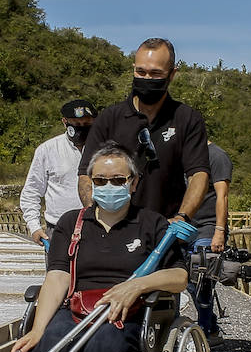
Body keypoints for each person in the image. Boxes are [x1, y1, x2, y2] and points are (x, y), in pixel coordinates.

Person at [9, 143, 189, 352]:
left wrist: (137, 285)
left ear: (134, 183)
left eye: (118, 180)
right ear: (90, 182)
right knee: (51, 336)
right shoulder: (71, 224)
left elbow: (178, 276)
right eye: (101, 180)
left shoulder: (151, 224)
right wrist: (37, 329)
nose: (109, 187)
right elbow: (57, 276)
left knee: (105, 341)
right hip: (78, 307)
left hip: (126, 315)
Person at [78, 38, 209, 222]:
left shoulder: (187, 119)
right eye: (141, 72)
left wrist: (182, 218)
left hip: (165, 232)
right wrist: (93, 211)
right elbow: (85, 174)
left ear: (172, 74)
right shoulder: (109, 118)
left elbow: (198, 174)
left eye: (155, 73)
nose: (147, 79)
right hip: (114, 230)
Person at [19, 99, 96, 245]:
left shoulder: (106, 149)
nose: (82, 128)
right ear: (65, 122)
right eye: (77, 124)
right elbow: (32, 191)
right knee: (58, 269)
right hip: (59, 229)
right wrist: (34, 226)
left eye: (87, 124)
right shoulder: (47, 150)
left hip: (97, 228)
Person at [186, 141, 232, 346]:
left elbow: (222, 195)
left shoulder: (216, 156)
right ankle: (212, 326)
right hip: (184, 225)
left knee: (202, 277)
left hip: (208, 226)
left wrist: (219, 231)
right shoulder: (182, 156)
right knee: (186, 281)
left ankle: (203, 334)